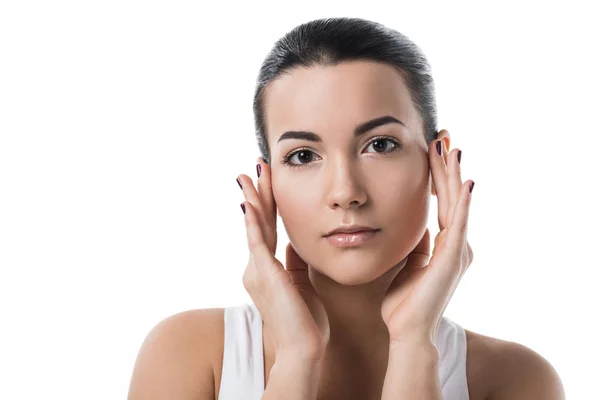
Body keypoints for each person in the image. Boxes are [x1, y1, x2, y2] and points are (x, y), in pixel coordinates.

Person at [127, 17, 565, 400]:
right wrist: (297, 359)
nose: (345, 192)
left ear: (438, 160)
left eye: (380, 145)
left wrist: (414, 344)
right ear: (268, 180)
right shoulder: (188, 355)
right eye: (302, 155)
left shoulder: (514, 380)